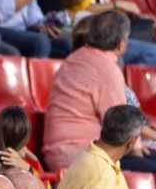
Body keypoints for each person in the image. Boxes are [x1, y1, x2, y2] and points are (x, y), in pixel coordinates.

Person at [44, 10, 141, 170]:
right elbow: (122, 128)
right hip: (84, 159)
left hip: (58, 156)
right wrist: (138, 152)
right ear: (122, 44)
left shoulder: (72, 59)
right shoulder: (107, 68)